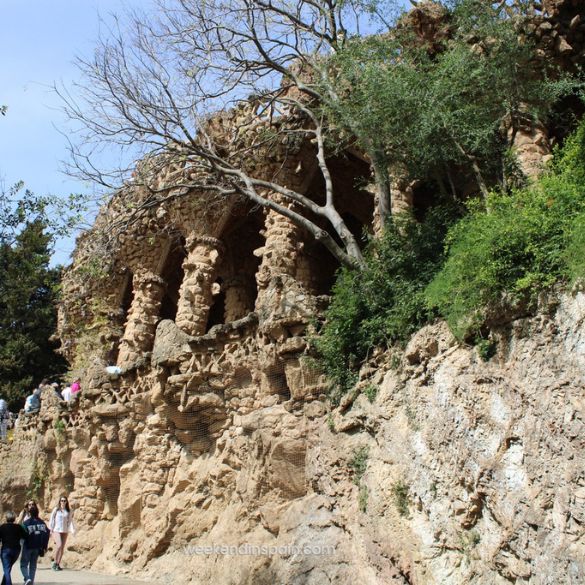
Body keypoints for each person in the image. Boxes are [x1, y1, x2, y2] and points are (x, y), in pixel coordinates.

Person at [20, 504, 49, 585]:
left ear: (30, 513)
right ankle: (31, 582)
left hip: (28, 547)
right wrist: (44, 547)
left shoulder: (26, 523)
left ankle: (27, 578)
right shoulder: (42, 523)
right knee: (33, 566)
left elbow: (22, 535)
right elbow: (47, 533)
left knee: (23, 565)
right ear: (38, 512)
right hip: (37, 548)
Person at [48, 496, 75, 571]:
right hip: (56, 530)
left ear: (66, 502)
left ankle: (57, 564)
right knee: (59, 545)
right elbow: (52, 519)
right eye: (61, 500)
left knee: (62, 548)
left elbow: (70, 521)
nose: (63, 502)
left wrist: (72, 530)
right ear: (59, 502)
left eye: (64, 501)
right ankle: (54, 562)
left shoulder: (69, 511)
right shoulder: (56, 510)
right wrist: (50, 529)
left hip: (65, 530)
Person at [0, 510, 26, 585]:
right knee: (8, 568)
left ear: (6, 518)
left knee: (6, 569)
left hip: (6, 550)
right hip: (16, 550)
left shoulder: (2, 527)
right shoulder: (18, 527)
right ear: (14, 518)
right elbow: (25, 536)